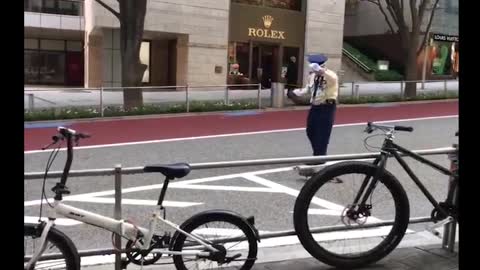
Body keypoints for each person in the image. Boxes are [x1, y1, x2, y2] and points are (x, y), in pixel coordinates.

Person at [303, 56, 338, 164]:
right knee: (310, 131)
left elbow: (331, 80)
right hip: (314, 107)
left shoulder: (331, 75)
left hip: (326, 107)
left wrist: (321, 71)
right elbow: (308, 89)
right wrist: (295, 92)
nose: (313, 69)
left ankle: (319, 157)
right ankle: (318, 154)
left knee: (322, 133)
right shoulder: (312, 76)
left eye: (314, 67)